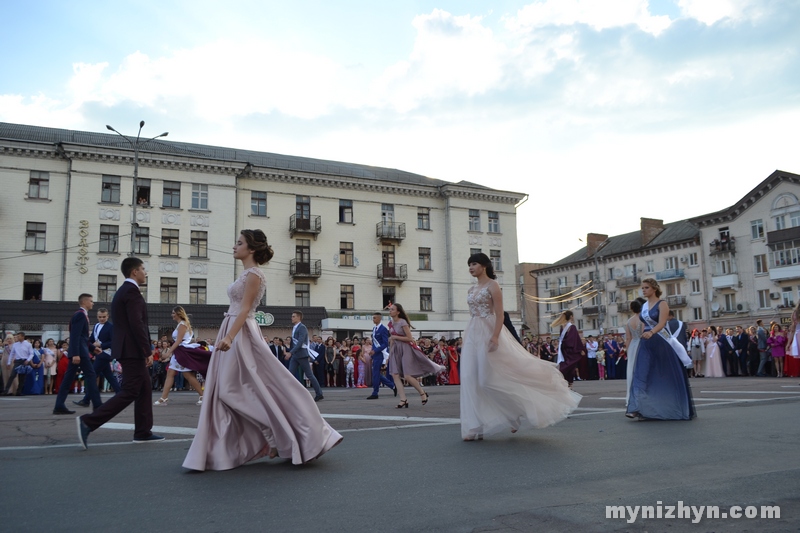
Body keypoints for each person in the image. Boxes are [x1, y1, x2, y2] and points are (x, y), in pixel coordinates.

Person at [183, 229, 342, 470]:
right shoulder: (246, 273)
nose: (235, 247)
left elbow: (245, 309)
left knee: (230, 390)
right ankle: (261, 438)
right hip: (235, 327)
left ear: (252, 249)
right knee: (238, 388)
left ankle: (275, 432)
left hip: (241, 332)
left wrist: (229, 336)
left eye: (240, 243)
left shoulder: (254, 274)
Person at [460, 253, 580, 441]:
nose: (471, 267)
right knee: (469, 379)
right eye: (469, 264)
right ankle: (476, 426)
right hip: (472, 333)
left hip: (489, 331)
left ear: (484, 266)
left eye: (474, 263)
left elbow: (500, 314)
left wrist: (495, 336)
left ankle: (512, 413)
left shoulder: (493, 285)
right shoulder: (471, 289)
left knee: (486, 380)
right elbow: (473, 314)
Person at [76, 258, 164, 448]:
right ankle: (89, 422)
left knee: (144, 388)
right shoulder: (131, 293)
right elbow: (137, 323)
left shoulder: (123, 291)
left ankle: (143, 431)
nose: (145, 272)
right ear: (134, 272)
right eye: (142, 269)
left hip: (127, 348)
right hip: (132, 349)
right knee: (132, 389)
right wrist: (146, 348)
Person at [626, 278, 695, 421]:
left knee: (664, 374)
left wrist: (651, 332)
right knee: (641, 374)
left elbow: (662, 323)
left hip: (660, 341)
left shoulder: (662, 304)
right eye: (643, 288)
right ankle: (637, 408)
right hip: (646, 343)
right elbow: (644, 324)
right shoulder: (644, 306)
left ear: (654, 289)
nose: (643, 290)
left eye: (646, 287)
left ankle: (671, 407)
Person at [387, 303, 444, 408]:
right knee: (395, 374)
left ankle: (422, 393)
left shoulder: (403, 322)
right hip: (396, 350)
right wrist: (390, 354)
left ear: (398, 312)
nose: (390, 311)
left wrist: (395, 337)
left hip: (406, 349)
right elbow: (392, 339)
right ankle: (403, 399)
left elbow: (409, 338)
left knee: (408, 375)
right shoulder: (390, 324)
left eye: (392, 309)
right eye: (390, 309)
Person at [53, 296, 102, 414]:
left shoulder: (82, 315)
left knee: (69, 378)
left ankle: (59, 405)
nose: (93, 303)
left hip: (81, 350)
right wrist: (75, 354)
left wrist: (92, 348)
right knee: (90, 375)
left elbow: (82, 337)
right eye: (91, 301)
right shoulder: (80, 315)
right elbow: (75, 335)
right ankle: (97, 404)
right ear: (84, 302)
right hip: (80, 352)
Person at [153, 307, 210, 406]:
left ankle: (202, 396)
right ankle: (164, 398)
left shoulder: (182, 325)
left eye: (173, 313)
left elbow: (179, 341)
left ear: (179, 314)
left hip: (182, 352)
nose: (172, 315)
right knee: (171, 373)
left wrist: (168, 352)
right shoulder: (181, 325)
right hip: (179, 352)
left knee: (187, 375)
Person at [74, 308, 119, 407]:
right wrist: (89, 344)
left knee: (92, 375)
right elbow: (92, 339)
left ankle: (86, 400)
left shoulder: (111, 327)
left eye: (104, 317)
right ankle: (120, 394)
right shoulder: (96, 326)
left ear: (107, 316)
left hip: (106, 353)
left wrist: (100, 345)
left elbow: (113, 342)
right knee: (109, 376)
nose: (102, 319)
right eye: (100, 317)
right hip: (98, 353)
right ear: (97, 316)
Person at [286, 311, 324, 401]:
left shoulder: (302, 327)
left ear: (299, 317)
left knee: (309, 375)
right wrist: (291, 352)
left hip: (302, 354)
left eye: (293, 316)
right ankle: (288, 393)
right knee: (289, 374)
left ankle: (319, 393)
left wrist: (290, 352)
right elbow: (293, 342)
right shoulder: (295, 327)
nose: (292, 318)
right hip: (295, 355)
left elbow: (300, 342)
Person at [366, 313, 396, 399]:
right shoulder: (374, 329)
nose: (373, 319)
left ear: (379, 319)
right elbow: (374, 343)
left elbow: (385, 343)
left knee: (375, 374)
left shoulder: (383, 329)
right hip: (375, 354)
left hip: (380, 354)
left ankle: (375, 393)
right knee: (376, 374)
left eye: (375, 318)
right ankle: (392, 386)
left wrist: (375, 351)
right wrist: (372, 353)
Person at [552, 311, 583, 389]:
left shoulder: (562, 326)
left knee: (567, 364)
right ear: (571, 316)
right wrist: (580, 349)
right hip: (570, 350)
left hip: (563, 349)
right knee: (570, 366)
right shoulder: (572, 327)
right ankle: (569, 384)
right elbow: (575, 339)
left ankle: (566, 383)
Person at [624, 298, 645, 406]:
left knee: (631, 370)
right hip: (642, 345)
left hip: (632, 346)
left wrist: (628, 352)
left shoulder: (629, 321)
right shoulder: (643, 319)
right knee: (642, 370)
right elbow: (644, 334)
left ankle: (630, 396)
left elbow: (628, 338)